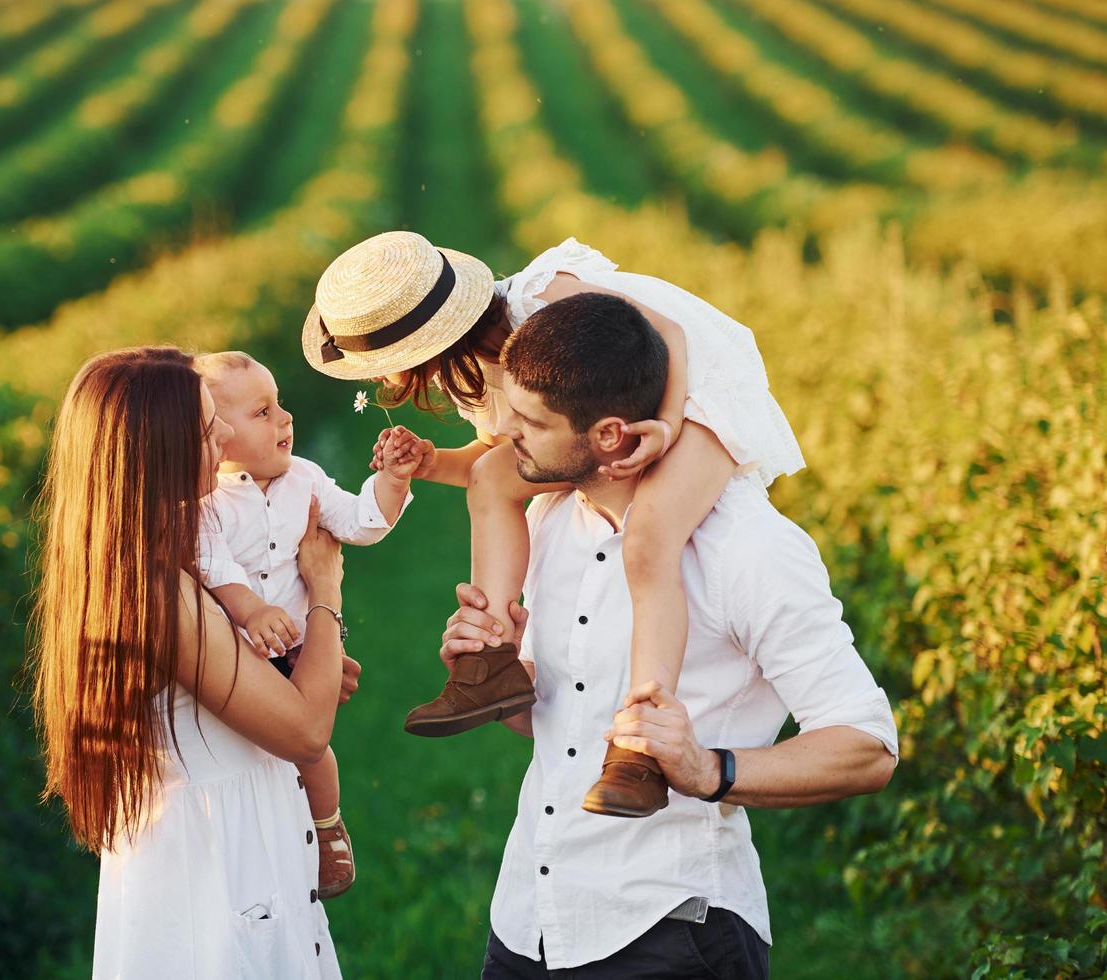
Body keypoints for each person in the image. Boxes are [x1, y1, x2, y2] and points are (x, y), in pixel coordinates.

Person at [432, 295, 897, 976]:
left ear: (611, 436)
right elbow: (556, 729)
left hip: (670, 931)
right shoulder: (552, 521)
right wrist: (495, 674)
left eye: (530, 422)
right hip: (529, 921)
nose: (506, 434)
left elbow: (867, 746)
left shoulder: (749, 548)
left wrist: (709, 769)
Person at [303, 231, 805, 819]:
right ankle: (487, 660)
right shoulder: (478, 372)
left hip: (692, 389)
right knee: (494, 479)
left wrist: (665, 427)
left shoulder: (547, 296)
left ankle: (638, 744)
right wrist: (432, 462)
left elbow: (667, 336)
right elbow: (510, 458)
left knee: (649, 540)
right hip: (617, 413)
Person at [29, 347, 351, 979]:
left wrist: (299, 669)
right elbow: (307, 730)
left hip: (214, 840)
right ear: (156, 449)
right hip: (220, 860)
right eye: (208, 428)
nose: (227, 435)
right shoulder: (157, 584)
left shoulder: (137, 555)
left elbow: (255, 695)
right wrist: (326, 590)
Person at [194, 350, 425, 899]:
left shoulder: (306, 478)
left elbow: (356, 522)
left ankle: (326, 829)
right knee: (267, 751)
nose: (285, 419)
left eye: (280, 405)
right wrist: (252, 610)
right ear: (218, 435)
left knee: (312, 750)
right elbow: (212, 564)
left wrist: (391, 482)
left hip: (299, 649)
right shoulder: (207, 502)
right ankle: (276, 838)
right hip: (243, 653)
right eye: (263, 412)